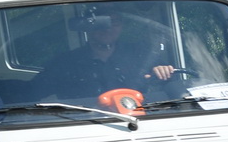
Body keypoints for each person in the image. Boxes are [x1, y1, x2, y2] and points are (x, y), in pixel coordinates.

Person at [34, 14, 177, 101]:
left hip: (141, 120)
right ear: (88, 26)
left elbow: (173, 86)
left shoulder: (141, 55)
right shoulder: (65, 63)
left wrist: (163, 73)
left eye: (115, 22)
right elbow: (33, 92)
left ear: (121, 26)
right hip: (81, 125)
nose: (107, 28)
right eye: (101, 22)